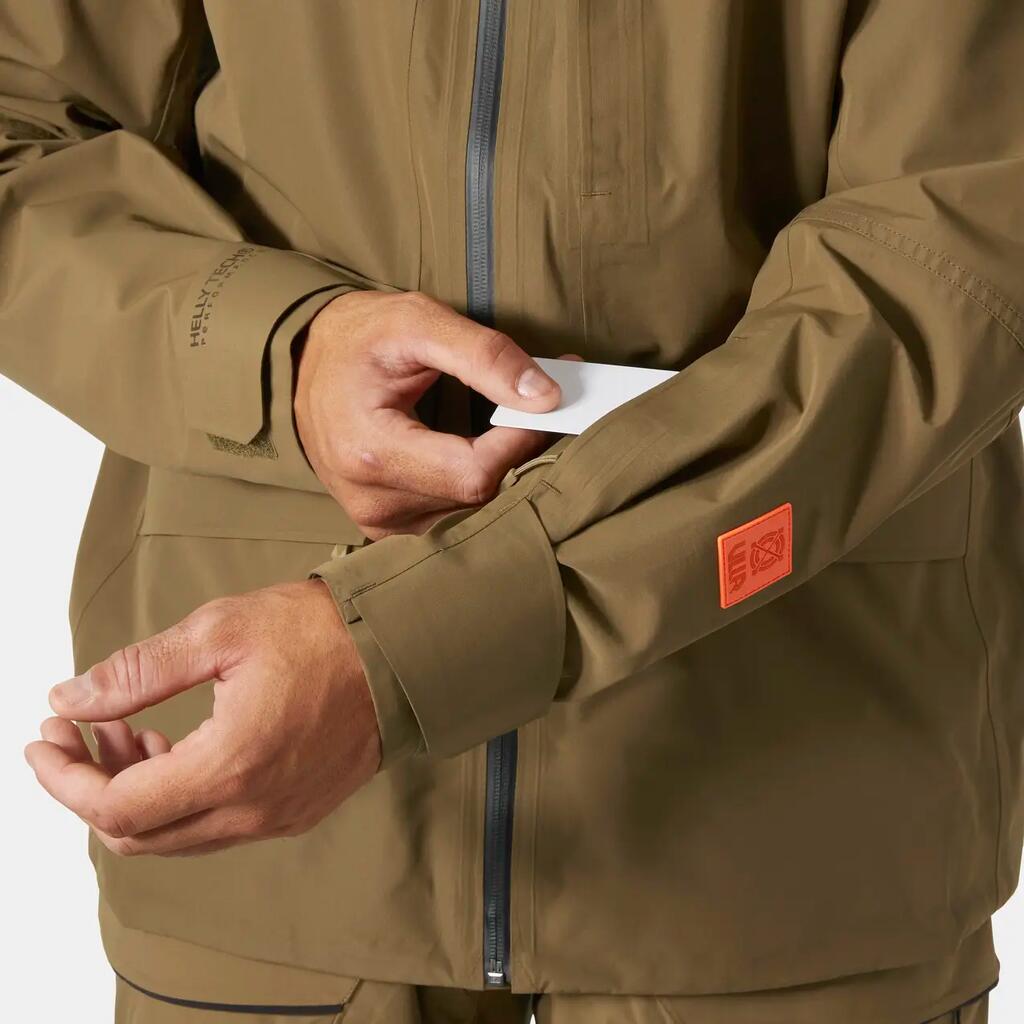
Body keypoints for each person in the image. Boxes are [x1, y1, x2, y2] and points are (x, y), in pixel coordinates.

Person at [1, 1, 1020, 1021]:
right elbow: (21, 134)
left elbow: (945, 260)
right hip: (268, 811)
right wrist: (282, 354)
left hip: (791, 823)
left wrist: (412, 644)